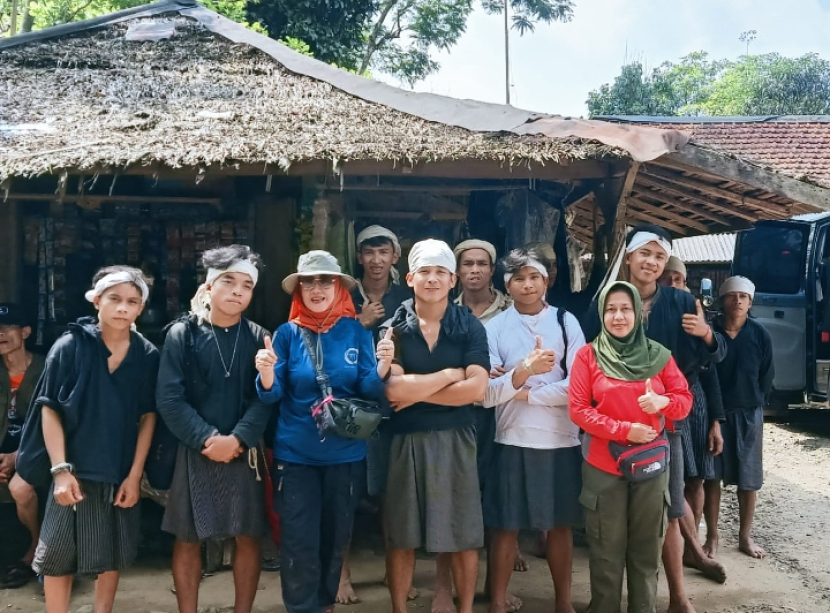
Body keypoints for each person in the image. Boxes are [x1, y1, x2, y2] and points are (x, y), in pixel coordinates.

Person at [582, 224, 727, 612]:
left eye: (659, 256)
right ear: (628, 256)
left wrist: (708, 335)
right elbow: (586, 365)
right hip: (608, 430)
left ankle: (677, 595)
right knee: (609, 522)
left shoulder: (680, 302)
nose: (651, 262)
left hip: (666, 426)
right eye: (644, 253)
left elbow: (713, 360)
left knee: (667, 510)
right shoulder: (603, 302)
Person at [16, 266, 158, 613]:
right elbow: (49, 410)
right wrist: (60, 470)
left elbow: (147, 416)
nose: (122, 308)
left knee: (112, 552)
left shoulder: (146, 355)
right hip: (72, 466)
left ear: (141, 308)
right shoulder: (70, 346)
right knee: (58, 555)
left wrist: (135, 475)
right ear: (96, 300)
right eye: (114, 299)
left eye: (132, 301)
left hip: (118, 467)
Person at [256, 249, 390, 613]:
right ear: (299, 289)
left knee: (335, 539)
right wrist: (266, 372)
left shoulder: (355, 331)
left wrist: (382, 368)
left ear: (338, 287)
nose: (316, 289)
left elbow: (369, 389)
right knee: (299, 541)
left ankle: (325, 605)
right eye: (308, 282)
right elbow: (273, 393)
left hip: (345, 455)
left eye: (325, 281)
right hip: (295, 456)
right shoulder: (286, 335)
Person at [157, 245, 271, 613]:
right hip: (195, 450)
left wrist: (238, 439)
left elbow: (266, 398)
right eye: (228, 281)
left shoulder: (258, 336)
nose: (237, 291)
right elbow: (170, 399)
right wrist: (208, 439)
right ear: (208, 287)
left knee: (247, 536)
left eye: (246, 285)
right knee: (188, 539)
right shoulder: (182, 334)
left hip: (244, 451)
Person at [570, 281, 693, 613]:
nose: (618, 316)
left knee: (645, 552)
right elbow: (579, 410)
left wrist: (662, 402)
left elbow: (684, 402)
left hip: (649, 469)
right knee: (605, 552)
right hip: (603, 468)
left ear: (639, 313)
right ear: (602, 315)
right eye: (610, 310)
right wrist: (624, 429)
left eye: (625, 309)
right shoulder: (588, 355)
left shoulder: (659, 355)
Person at [383, 239, 490, 613]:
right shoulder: (392, 327)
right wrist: (448, 375)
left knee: (463, 534)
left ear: (453, 280)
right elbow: (393, 389)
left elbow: (477, 388)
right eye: (425, 272)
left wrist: (416, 391)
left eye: (441, 273)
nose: (432, 279)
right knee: (401, 535)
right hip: (404, 439)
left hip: (457, 436)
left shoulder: (469, 326)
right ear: (410, 278)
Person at [483, 249, 586, 613]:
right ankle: (497, 601)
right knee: (505, 525)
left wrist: (524, 391)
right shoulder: (493, 328)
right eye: (518, 278)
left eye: (534, 277)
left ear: (547, 280)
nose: (527, 285)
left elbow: (580, 386)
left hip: (560, 438)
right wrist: (522, 373)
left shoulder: (565, 322)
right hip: (511, 437)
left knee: (560, 525)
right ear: (506, 285)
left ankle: (563, 602)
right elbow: (487, 393)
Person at [343, 226, 413, 604]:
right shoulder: (344, 295)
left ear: (394, 257)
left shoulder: (407, 297)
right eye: (368, 252)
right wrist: (361, 322)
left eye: (383, 252)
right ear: (359, 257)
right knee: (347, 493)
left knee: (392, 494)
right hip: (349, 407)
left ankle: (393, 571)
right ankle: (341, 575)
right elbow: (327, 341)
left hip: (393, 407)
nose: (375, 260)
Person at [659, 258, 727, 564]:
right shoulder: (645, 314)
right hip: (659, 401)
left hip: (694, 400)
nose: (673, 283)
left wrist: (716, 420)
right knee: (671, 478)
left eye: (678, 278)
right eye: (667, 278)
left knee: (696, 477)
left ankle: (692, 547)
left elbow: (712, 369)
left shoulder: (694, 317)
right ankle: (690, 548)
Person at [707, 276, 774, 560]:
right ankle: (711, 536)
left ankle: (745, 537)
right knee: (712, 477)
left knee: (749, 478)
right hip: (715, 415)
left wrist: (754, 402)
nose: (737, 302)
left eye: (743, 297)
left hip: (749, 413)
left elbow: (766, 375)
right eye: (732, 296)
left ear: (750, 302)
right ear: (722, 300)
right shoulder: (710, 334)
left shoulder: (759, 334)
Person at [0, 304, 46, 589]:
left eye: (8, 327)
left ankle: (36, 549)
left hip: (39, 454)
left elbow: (61, 422)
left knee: (21, 487)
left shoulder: (47, 367)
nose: (0, 334)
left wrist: (19, 456)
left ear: (25, 331)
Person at [454, 239, 512, 324]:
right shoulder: (447, 313)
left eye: (482, 264)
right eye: (468, 264)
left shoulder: (510, 309)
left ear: (491, 270)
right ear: (457, 270)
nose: (475, 270)